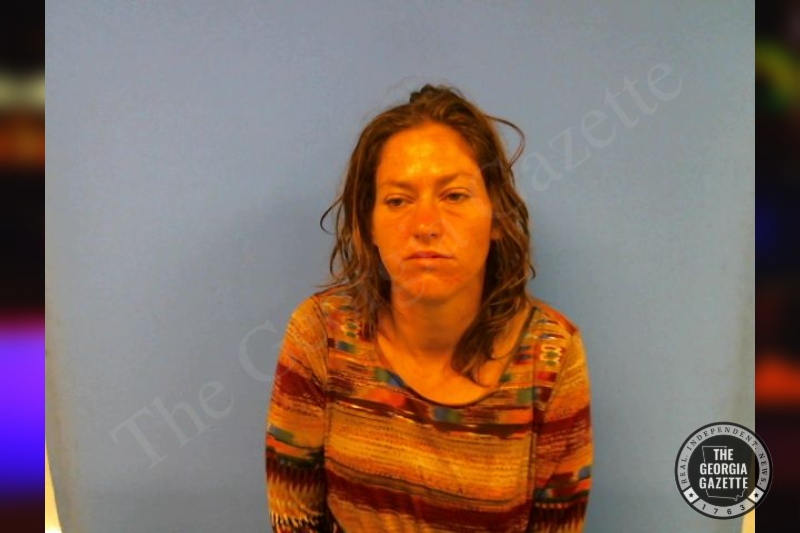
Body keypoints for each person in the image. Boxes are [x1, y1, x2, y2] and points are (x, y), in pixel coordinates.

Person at [265, 84, 592, 532]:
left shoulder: (550, 355)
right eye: (398, 200)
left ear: (496, 216)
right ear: (369, 225)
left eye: (454, 196)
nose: (425, 226)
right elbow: (293, 519)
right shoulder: (322, 333)